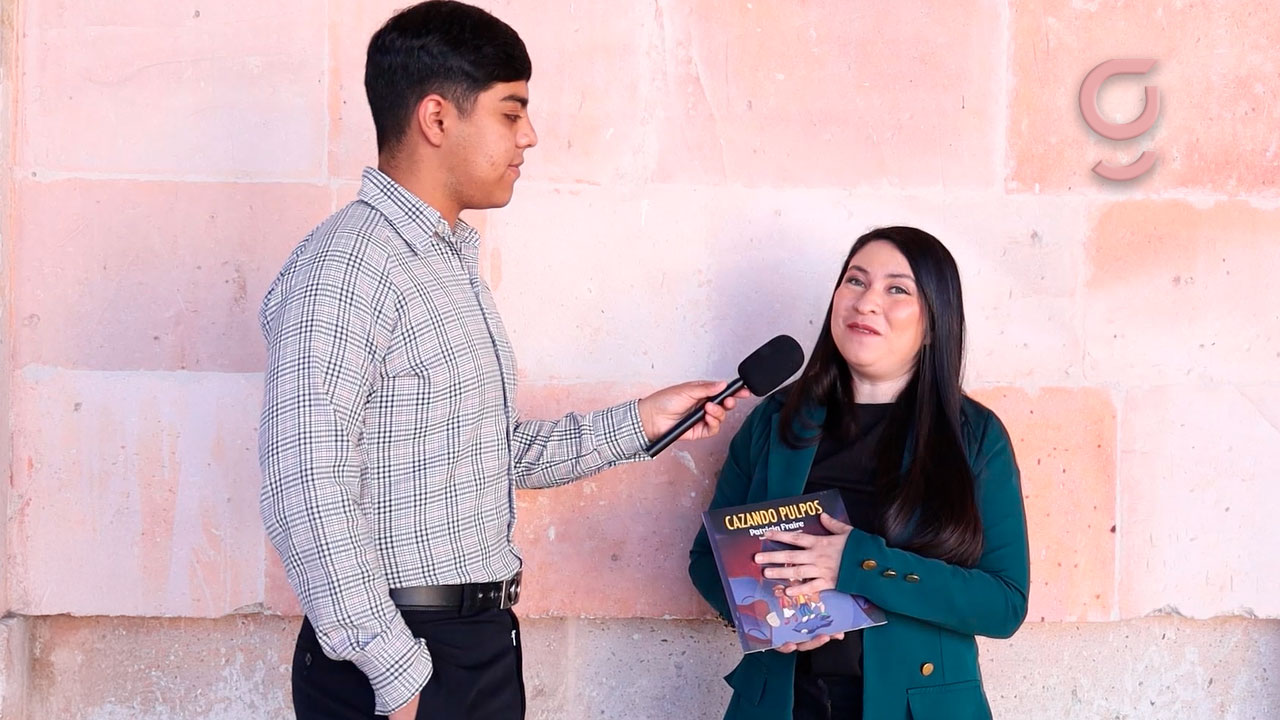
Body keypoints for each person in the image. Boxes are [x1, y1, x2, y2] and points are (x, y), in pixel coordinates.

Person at [257, 3, 746, 718]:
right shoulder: (348, 266)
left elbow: (486, 450)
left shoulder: (445, 264)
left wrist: (643, 422)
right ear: (436, 118)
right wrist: (394, 672)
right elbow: (305, 482)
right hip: (399, 658)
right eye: (511, 112)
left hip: (475, 646)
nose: (530, 136)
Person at [688, 227, 1030, 720]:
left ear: (934, 323)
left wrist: (856, 561)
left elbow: (1003, 604)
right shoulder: (777, 420)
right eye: (855, 281)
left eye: (897, 289)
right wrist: (762, 618)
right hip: (780, 704)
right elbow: (707, 560)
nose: (867, 302)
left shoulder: (974, 436)